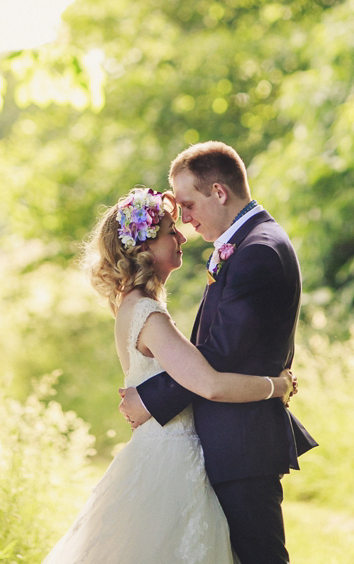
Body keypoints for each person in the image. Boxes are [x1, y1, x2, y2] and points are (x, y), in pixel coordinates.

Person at [42, 186, 296, 564]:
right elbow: (210, 384)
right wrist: (278, 386)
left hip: (164, 449)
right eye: (168, 232)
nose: (181, 236)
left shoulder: (133, 305)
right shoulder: (149, 314)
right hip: (173, 460)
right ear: (143, 247)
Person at [120, 142, 317, 564]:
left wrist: (150, 399)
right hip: (232, 441)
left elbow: (218, 357)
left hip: (241, 442)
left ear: (219, 192)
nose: (185, 221)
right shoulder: (248, 243)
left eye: (188, 205)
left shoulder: (257, 251)